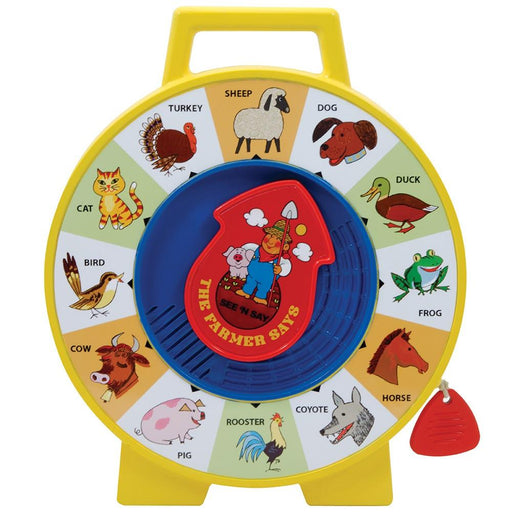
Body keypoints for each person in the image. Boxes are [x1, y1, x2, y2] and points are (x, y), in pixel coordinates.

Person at [236, 219, 292, 306]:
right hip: (252, 274)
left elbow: (287, 266)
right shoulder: (255, 249)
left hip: (267, 279)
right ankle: (246, 291)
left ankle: (260, 297)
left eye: (278, 239)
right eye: (270, 236)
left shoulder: (281, 259)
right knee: (250, 281)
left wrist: (280, 269)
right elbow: (245, 249)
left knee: (264, 287)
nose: (271, 241)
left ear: (285, 246)